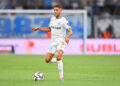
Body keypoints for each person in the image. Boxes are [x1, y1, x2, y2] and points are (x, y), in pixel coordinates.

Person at [31, 5, 72, 81]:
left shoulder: (63, 20)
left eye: (57, 10)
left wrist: (66, 37)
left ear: (60, 10)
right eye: (54, 10)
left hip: (61, 41)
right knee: (47, 60)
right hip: (53, 42)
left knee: (59, 56)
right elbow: (49, 29)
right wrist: (39, 28)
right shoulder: (52, 19)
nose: (55, 11)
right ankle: (58, 60)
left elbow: (70, 32)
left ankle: (61, 78)